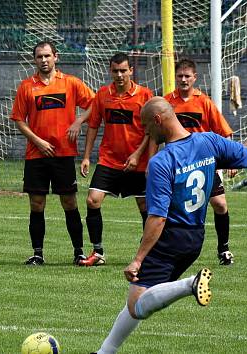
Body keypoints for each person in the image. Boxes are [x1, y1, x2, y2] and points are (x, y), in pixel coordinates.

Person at [92, 97, 247, 354]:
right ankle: (105, 352)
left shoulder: (161, 162)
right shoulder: (209, 142)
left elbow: (157, 217)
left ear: (158, 120)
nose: (146, 133)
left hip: (169, 238)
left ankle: (190, 284)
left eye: (147, 127)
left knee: (138, 304)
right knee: (140, 295)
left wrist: (138, 258)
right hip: (195, 238)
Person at [10, 40, 95, 266]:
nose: (44, 60)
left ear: (56, 57)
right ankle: (37, 253)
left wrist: (79, 121)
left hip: (64, 153)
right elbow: (18, 119)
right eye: (39, 57)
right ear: (34, 60)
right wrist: (37, 141)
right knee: (37, 204)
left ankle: (79, 252)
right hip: (36, 154)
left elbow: (95, 104)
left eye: (47, 56)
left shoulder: (71, 83)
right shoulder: (27, 86)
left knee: (69, 202)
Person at [79, 53, 154, 266]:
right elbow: (93, 126)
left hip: (137, 162)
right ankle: (98, 252)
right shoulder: (102, 94)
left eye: (123, 70)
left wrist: (138, 155)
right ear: (110, 71)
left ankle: (148, 253)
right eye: (115, 71)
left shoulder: (145, 95)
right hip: (109, 160)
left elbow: (151, 130)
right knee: (92, 200)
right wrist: (86, 157)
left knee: (145, 207)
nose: (119, 75)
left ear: (131, 70)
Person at [164, 58, 237, 265]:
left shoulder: (204, 102)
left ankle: (224, 249)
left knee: (220, 204)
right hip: (176, 165)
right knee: (172, 208)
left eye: (188, 76)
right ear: (175, 77)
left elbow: (225, 133)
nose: (184, 79)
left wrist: (230, 160)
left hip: (203, 164)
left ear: (195, 78)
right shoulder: (167, 102)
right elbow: (155, 134)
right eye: (180, 76)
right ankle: (168, 247)